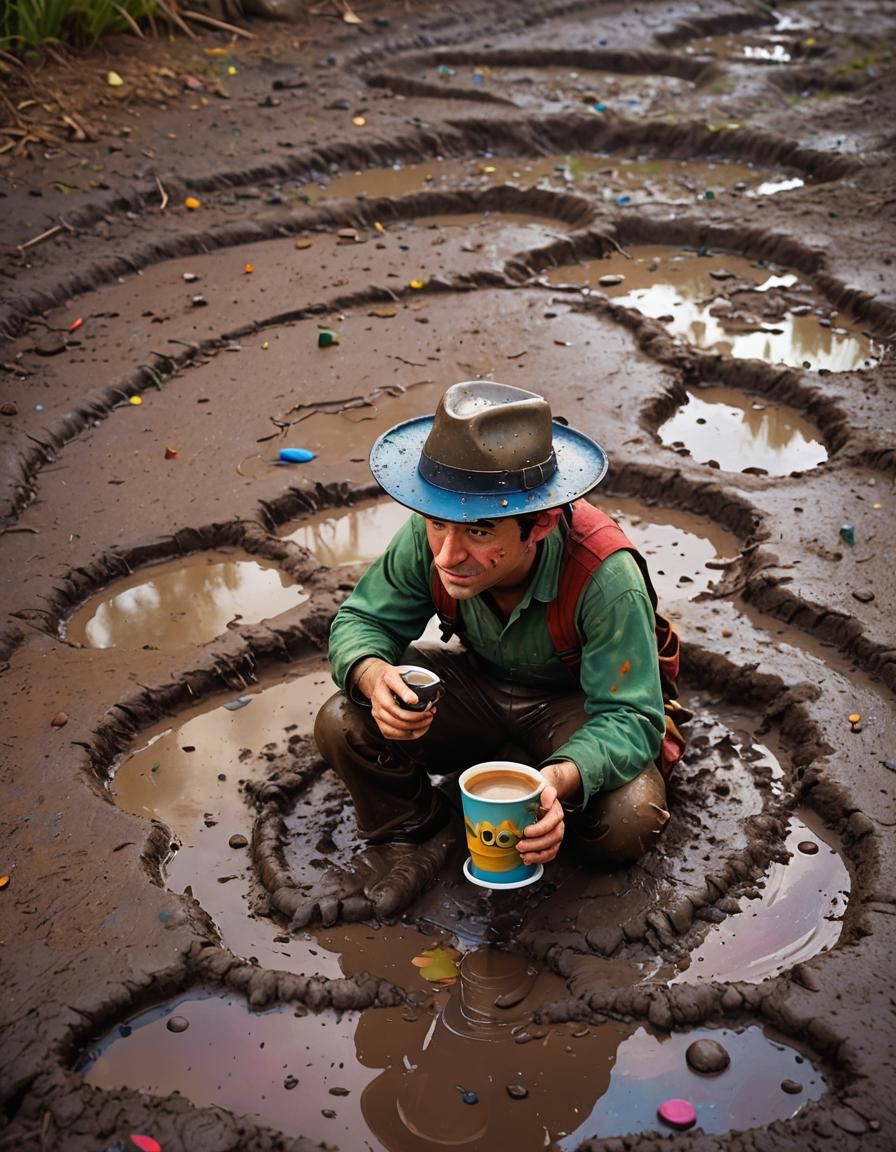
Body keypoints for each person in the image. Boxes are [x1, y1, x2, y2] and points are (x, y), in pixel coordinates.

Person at [314, 381, 671, 875]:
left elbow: (632, 718)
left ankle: (541, 810)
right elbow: (362, 619)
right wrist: (375, 679)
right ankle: (416, 826)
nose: (446, 554)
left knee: (630, 819)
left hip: (575, 709)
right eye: (437, 524)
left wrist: (561, 778)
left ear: (540, 524)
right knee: (343, 721)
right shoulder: (433, 533)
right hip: (476, 690)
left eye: (480, 531)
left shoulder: (606, 577)